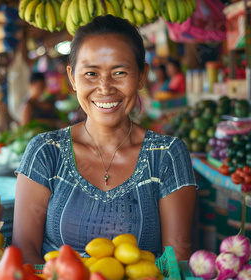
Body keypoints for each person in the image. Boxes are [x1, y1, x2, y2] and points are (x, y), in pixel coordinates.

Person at [12, 15, 197, 264]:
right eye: (91, 73)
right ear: (72, 78)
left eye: (119, 72)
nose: (105, 87)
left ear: (142, 76)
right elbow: (25, 256)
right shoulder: (46, 152)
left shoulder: (167, 154)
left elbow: (176, 263)